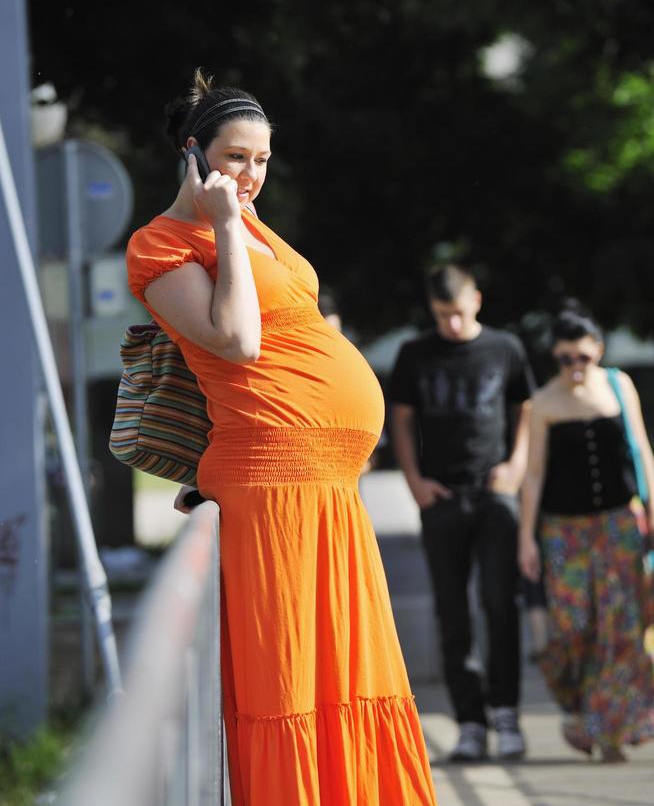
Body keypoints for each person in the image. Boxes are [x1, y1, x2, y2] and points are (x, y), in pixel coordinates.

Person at [125, 70, 437, 806]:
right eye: (236, 157)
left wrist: (239, 223)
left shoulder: (256, 224)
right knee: (293, 677)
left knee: (347, 672)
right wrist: (225, 225)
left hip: (330, 488)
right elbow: (234, 340)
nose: (252, 176)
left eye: (263, 160)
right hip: (274, 487)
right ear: (194, 154)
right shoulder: (161, 244)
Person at [389, 264, 534, 762]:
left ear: (477, 298)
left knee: (501, 603)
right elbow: (402, 420)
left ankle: (507, 715)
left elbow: (525, 410)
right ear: (432, 310)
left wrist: (515, 465)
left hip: (495, 493)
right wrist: (414, 480)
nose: (452, 324)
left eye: (459, 312)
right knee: (452, 613)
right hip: (442, 497)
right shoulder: (415, 354)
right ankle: (470, 722)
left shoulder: (505, 348)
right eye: (442, 315)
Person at [519, 303, 654, 762]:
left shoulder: (620, 385)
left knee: (620, 625)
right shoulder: (543, 402)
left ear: (597, 351)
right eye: (565, 359)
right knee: (573, 626)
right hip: (564, 531)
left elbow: (641, 448)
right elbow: (534, 474)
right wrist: (526, 538)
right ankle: (579, 711)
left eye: (584, 358)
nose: (576, 368)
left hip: (618, 523)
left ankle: (612, 728)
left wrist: (652, 509)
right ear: (554, 357)